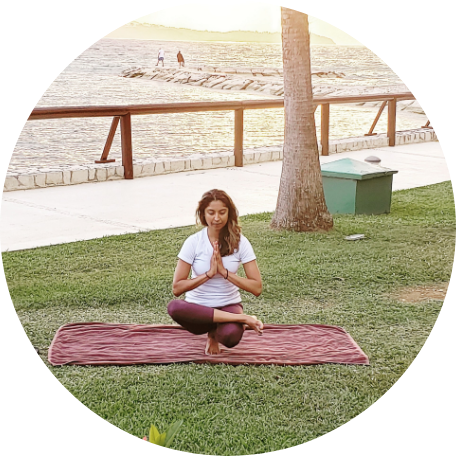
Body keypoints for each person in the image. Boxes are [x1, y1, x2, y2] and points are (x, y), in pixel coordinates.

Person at [167, 189, 264, 355]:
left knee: (231, 337)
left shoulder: (241, 242)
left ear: (229, 213)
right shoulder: (193, 242)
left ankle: (215, 334)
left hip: (228, 305)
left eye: (222, 212)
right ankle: (242, 319)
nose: (217, 218)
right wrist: (209, 274)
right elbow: (177, 288)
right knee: (174, 307)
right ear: (203, 214)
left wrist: (225, 272)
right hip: (199, 309)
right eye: (211, 212)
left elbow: (256, 288)